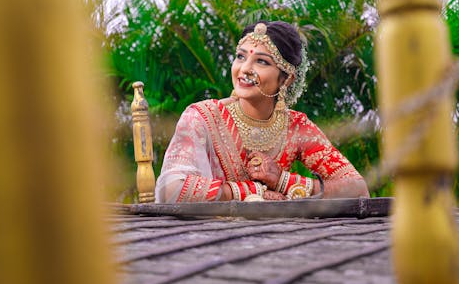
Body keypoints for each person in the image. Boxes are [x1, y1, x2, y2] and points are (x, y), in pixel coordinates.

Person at [155, 20, 369, 203]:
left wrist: (283, 181)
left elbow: (357, 190)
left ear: (286, 79)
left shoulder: (296, 128)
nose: (245, 69)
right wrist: (253, 191)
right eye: (240, 57)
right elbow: (171, 191)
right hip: (207, 241)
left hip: (279, 241)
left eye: (261, 61)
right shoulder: (202, 117)